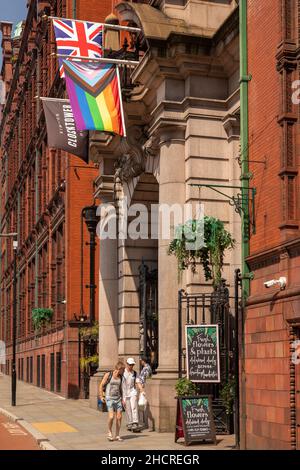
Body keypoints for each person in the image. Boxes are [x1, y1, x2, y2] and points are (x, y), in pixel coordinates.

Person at [99, 361, 125, 441]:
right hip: (109, 398)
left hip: (118, 399)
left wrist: (123, 399)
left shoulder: (121, 377)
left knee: (119, 417)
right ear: (119, 369)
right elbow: (101, 385)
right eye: (123, 370)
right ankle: (109, 432)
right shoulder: (108, 375)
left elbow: (121, 389)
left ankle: (117, 435)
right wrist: (101, 396)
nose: (123, 371)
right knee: (111, 416)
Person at [136, 357, 154, 431]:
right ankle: (142, 422)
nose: (140, 362)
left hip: (143, 387)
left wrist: (141, 388)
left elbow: (144, 378)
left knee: (141, 405)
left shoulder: (146, 368)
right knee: (141, 405)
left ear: (143, 361)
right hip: (142, 387)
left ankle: (142, 423)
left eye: (141, 361)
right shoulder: (147, 367)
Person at [122, 357, 139, 431]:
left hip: (132, 391)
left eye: (132, 364)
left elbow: (137, 382)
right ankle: (129, 423)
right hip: (124, 393)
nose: (131, 366)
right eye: (130, 364)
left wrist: (141, 390)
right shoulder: (122, 373)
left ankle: (135, 423)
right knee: (127, 408)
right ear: (127, 364)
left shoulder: (134, 373)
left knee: (134, 407)